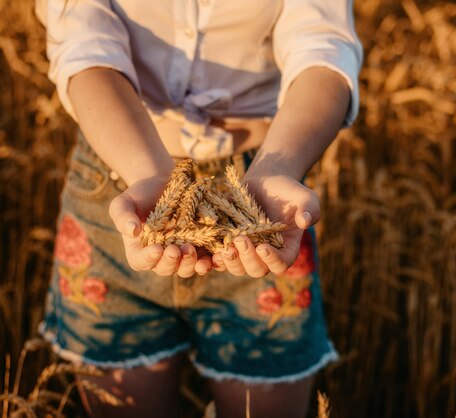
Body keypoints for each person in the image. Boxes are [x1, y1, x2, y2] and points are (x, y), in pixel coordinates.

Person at [35, 1, 362, 417]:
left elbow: (324, 49)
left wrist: (277, 168)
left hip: (261, 198)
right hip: (120, 188)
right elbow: (84, 47)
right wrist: (152, 176)